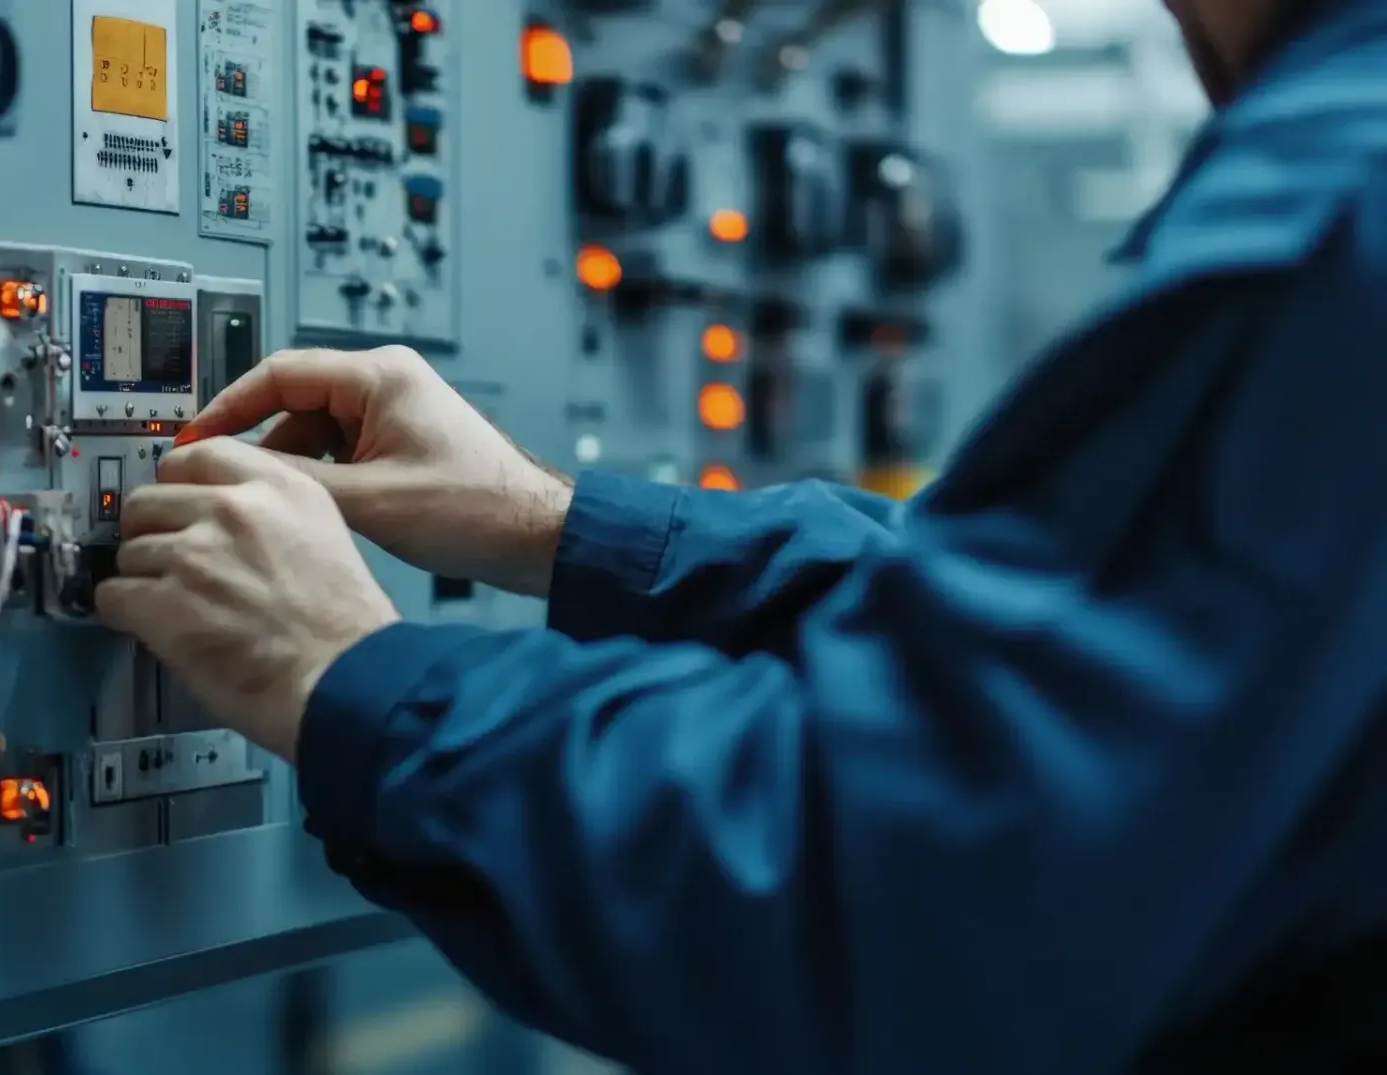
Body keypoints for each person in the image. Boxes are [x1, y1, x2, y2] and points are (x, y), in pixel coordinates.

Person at [95, 0, 1387, 1069]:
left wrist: (347, 678)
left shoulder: (1343, 203)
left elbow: (899, 895)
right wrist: (557, 526)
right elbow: (1107, 652)